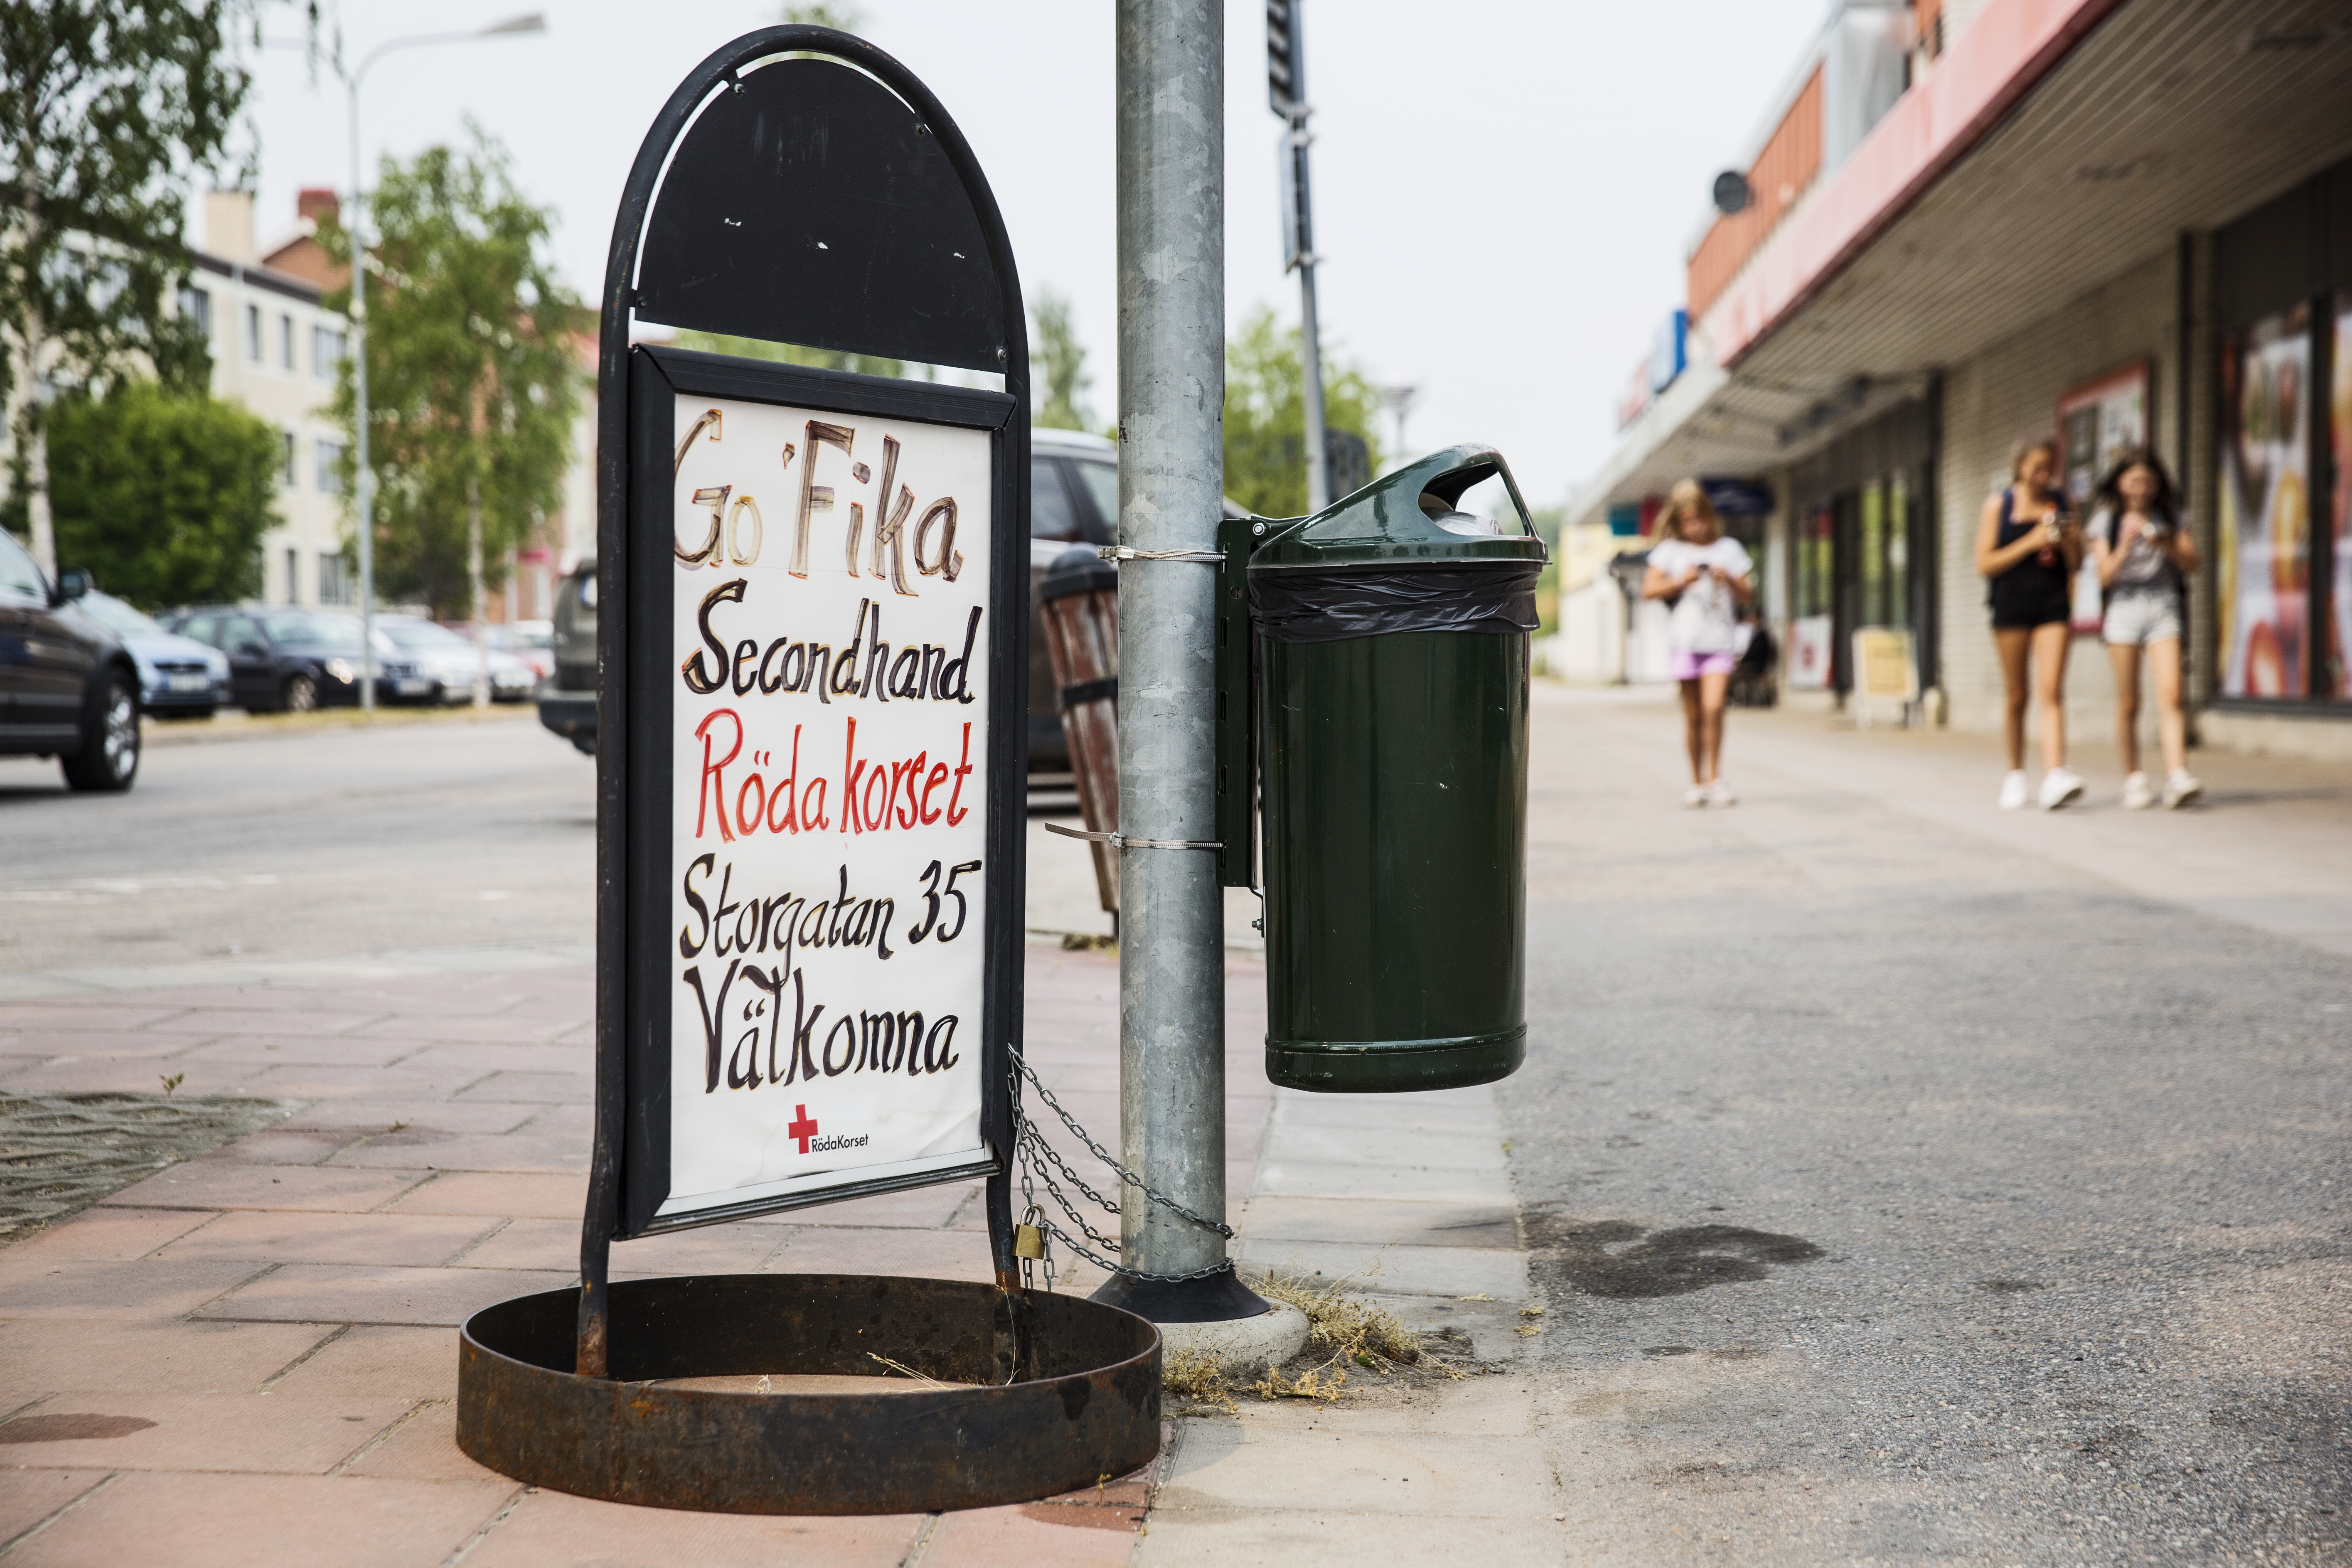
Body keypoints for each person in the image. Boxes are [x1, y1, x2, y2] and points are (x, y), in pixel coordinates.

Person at [2087, 449, 2202, 808]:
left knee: (2172, 694)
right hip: (2123, 606)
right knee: (2129, 699)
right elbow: (2103, 575)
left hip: (2163, 604)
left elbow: (2193, 563)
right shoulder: (2105, 520)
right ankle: (2134, 778)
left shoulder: (2170, 516)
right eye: (2133, 480)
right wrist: (2125, 544)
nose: (2141, 487)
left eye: (2147, 481)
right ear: (2120, 483)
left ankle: (2177, 775)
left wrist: (2164, 541)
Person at [1976, 438, 2084, 810]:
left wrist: (2066, 538)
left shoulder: (2063, 503)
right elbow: (1985, 564)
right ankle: (2016, 774)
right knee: (2017, 695)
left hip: (2053, 604)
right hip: (2010, 606)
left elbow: (2078, 561)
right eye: (2036, 467)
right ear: (2019, 466)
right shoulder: (1999, 505)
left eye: (2049, 467)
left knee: (2052, 689)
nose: (2043, 475)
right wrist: (2032, 541)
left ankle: (2055, 773)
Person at [1643, 479, 1754, 807]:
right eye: (1687, 522)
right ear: (1677, 522)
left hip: (1719, 642)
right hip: (1685, 643)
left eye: (1699, 519)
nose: (1695, 527)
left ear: (1710, 515)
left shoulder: (1729, 549)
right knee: (1692, 715)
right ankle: (1696, 781)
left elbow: (1748, 595)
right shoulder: (1670, 551)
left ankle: (1716, 778)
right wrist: (1681, 580)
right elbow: (1648, 591)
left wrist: (1728, 578)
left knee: (1714, 707)